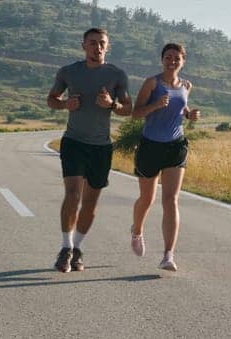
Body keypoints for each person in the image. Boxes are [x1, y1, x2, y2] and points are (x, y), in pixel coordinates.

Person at [46, 27, 132, 273]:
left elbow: (128, 108)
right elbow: (51, 99)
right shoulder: (69, 72)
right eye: (92, 43)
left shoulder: (117, 75)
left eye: (102, 43)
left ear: (108, 46)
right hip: (74, 141)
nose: (97, 47)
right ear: (83, 45)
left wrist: (111, 104)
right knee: (72, 194)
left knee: (91, 203)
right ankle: (65, 248)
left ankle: (77, 247)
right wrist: (65, 104)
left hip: (101, 147)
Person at [128, 42, 199, 271]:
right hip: (150, 146)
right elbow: (135, 114)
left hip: (175, 146)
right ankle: (137, 230)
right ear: (162, 59)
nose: (172, 61)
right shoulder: (152, 83)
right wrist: (155, 105)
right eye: (168, 57)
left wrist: (190, 115)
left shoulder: (186, 85)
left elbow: (181, 111)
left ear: (183, 61)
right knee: (147, 199)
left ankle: (168, 255)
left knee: (170, 199)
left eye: (177, 58)